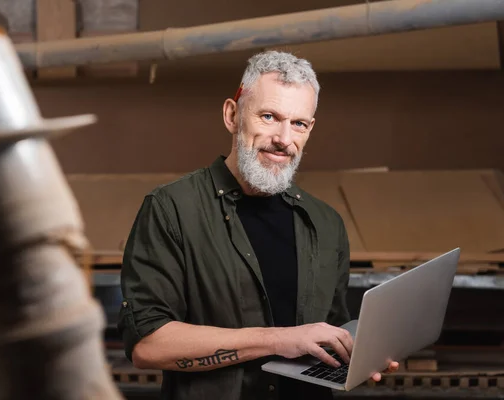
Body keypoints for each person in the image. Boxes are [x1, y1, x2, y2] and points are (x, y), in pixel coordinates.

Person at [118, 50, 398, 400]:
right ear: (232, 115)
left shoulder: (326, 224)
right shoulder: (171, 209)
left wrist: (358, 353)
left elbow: (330, 329)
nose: (283, 138)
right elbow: (148, 346)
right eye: (269, 116)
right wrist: (278, 339)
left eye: (298, 123)